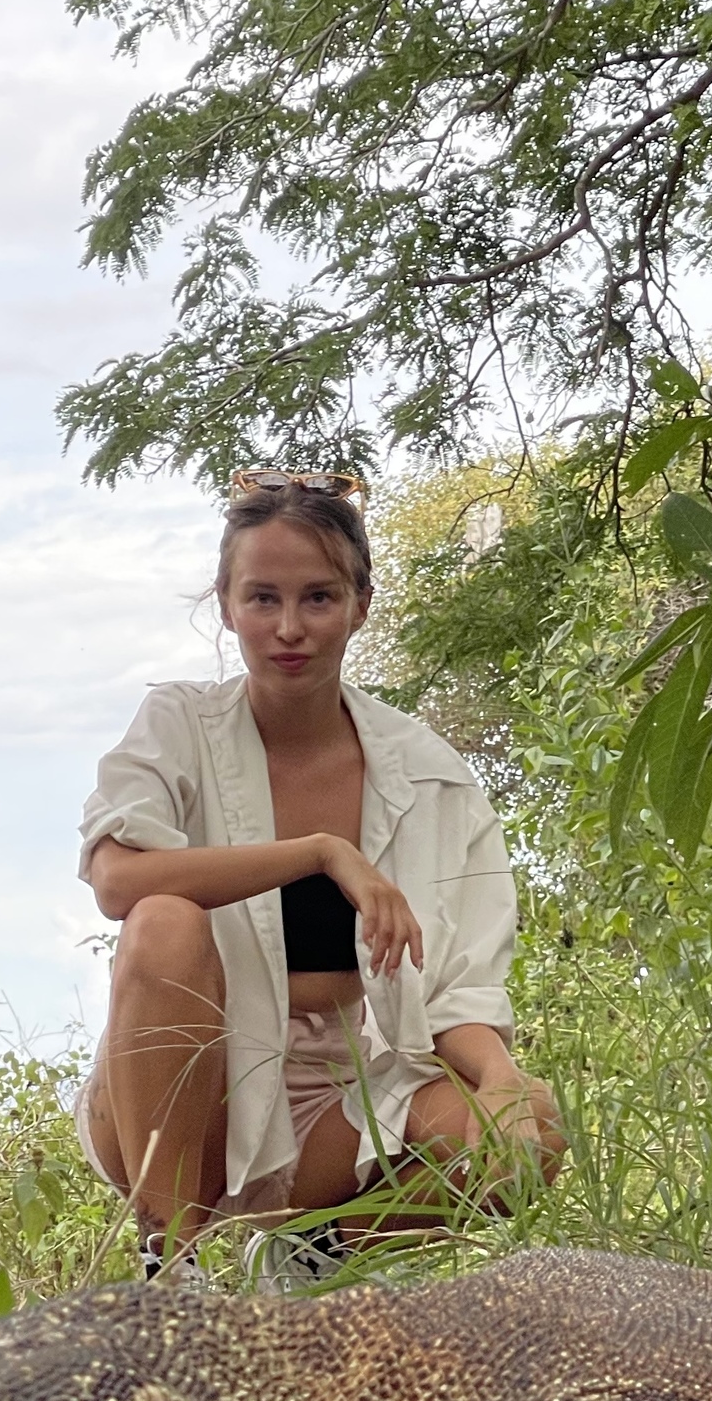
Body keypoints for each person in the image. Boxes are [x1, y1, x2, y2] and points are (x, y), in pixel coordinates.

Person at [75, 469, 565, 1279]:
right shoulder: (179, 726)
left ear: (360, 605)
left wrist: (505, 1079)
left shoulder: (431, 776)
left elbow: (457, 996)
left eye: (318, 598)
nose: (289, 628)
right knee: (166, 921)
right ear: (226, 604)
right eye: (262, 598)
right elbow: (118, 882)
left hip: (348, 1097)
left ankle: (315, 1253)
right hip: (191, 1095)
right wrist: (320, 852)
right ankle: (172, 1269)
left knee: (535, 1128)